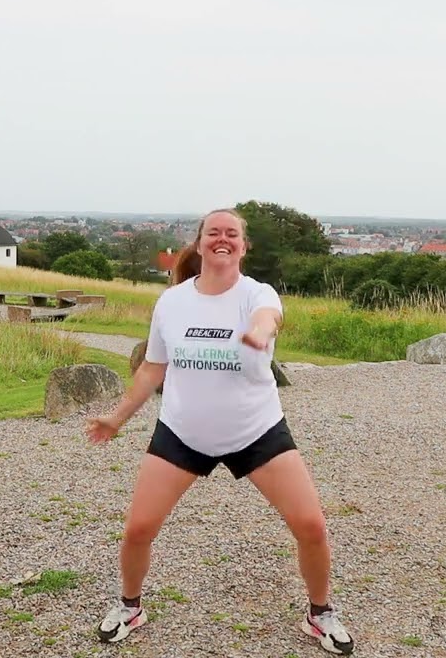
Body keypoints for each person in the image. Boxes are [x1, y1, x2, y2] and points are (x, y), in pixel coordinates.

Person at [85, 208, 355, 655]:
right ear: (200, 242)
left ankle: (320, 613)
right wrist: (118, 417)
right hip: (182, 431)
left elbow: (270, 317)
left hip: (256, 429)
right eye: (214, 232)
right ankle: (130, 606)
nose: (223, 239)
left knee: (311, 525)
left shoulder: (257, 294)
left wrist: (258, 331)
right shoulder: (172, 302)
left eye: (232, 234)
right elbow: (154, 367)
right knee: (138, 529)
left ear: (244, 246)